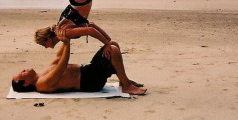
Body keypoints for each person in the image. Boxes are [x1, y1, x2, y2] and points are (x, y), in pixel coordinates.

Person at [12, 38, 146, 95]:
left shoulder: (42, 74)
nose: (23, 69)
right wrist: (67, 42)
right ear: (25, 83)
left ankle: (124, 81)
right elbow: (62, 65)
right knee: (112, 50)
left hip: (88, 70)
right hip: (90, 81)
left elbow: (58, 58)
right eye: (21, 73)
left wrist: (63, 37)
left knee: (112, 44)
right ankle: (126, 86)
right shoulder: (41, 84)